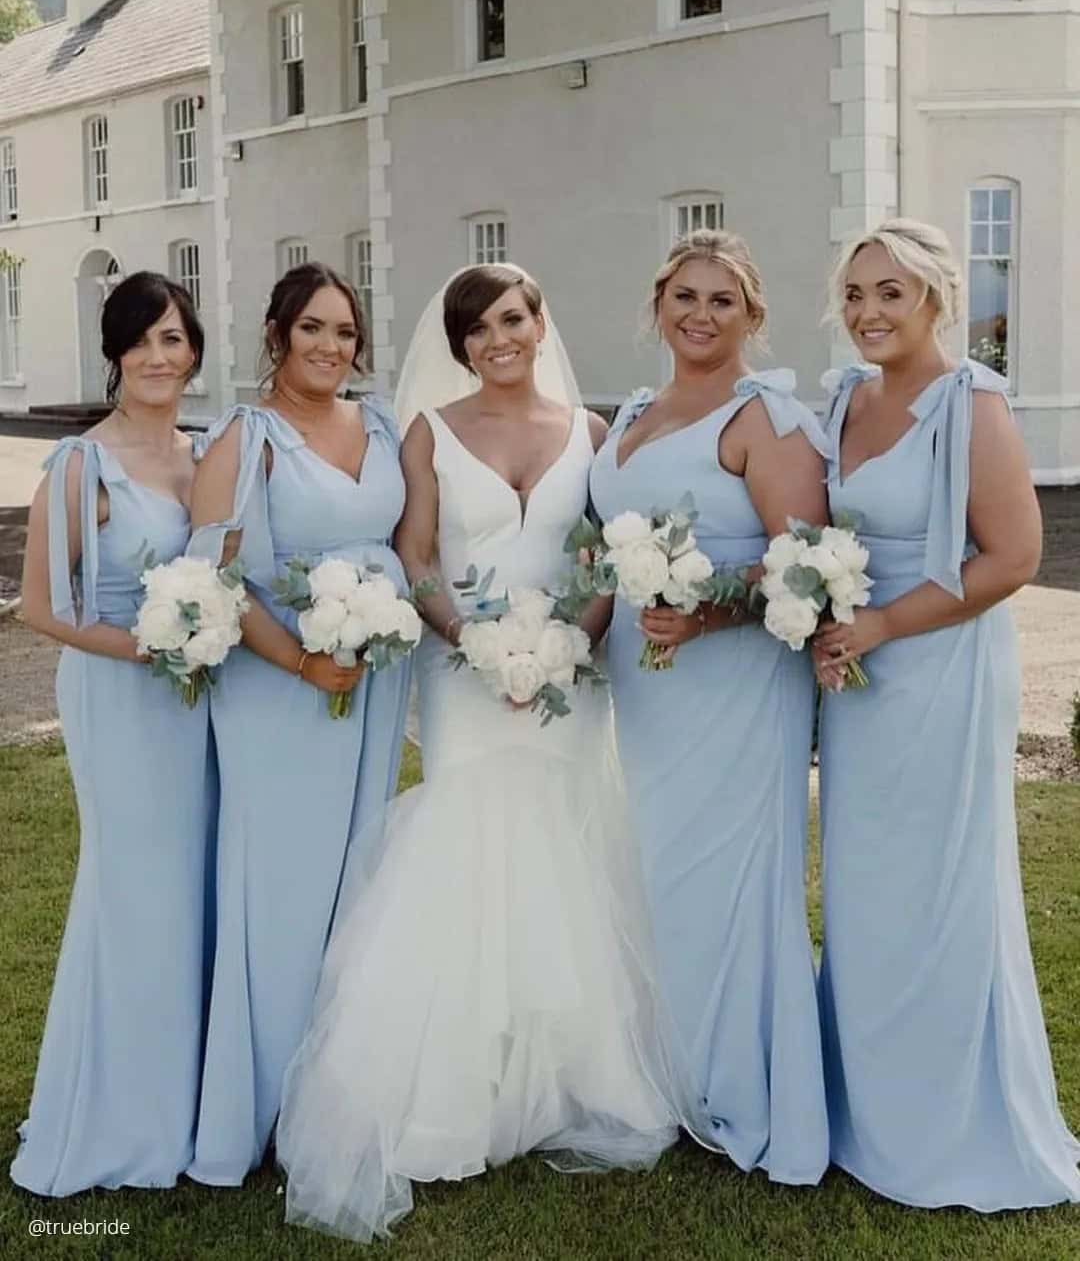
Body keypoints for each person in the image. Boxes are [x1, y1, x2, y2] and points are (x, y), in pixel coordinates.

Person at [275, 263, 677, 1242]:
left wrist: (572, 640)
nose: (497, 338)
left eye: (511, 318)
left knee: (569, 849)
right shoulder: (430, 432)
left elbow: (607, 557)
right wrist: (473, 642)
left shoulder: (592, 435)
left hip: (569, 681)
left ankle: (578, 1073)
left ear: (541, 323)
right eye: (476, 328)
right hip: (466, 680)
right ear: (456, 347)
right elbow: (415, 555)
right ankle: (458, 1092)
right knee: (465, 855)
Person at [814, 217, 1080, 1210]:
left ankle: (942, 1124)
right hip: (856, 681)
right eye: (854, 295)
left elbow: (1011, 557)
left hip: (937, 669)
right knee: (862, 884)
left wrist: (882, 622)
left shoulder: (973, 403)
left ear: (937, 299)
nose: (868, 312)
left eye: (890, 293)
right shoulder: (843, 397)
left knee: (934, 889)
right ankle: (867, 1108)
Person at [589, 230, 830, 1185]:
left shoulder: (763, 417)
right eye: (685, 296)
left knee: (725, 878)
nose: (700, 314)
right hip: (644, 687)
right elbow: (605, 542)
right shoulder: (636, 412)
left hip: (729, 684)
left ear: (753, 317)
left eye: (722, 301)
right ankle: (674, 1071)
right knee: (655, 872)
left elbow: (803, 559)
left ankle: (747, 1084)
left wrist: (708, 614)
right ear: (658, 305)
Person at [186, 262, 411, 1186]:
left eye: (345, 332)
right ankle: (259, 1109)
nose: (330, 346)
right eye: (312, 328)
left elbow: (413, 550)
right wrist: (302, 660)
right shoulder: (245, 437)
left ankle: (334, 1095)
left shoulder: (385, 424)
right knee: (279, 887)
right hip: (282, 686)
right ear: (276, 336)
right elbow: (216, 578)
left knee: (357, 878)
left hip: (374, 679)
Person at [12, 272, 215, 1195]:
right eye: (141, 340)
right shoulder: (81, 466)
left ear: (194, 351)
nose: (158, 357)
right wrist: (144, 648)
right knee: (137, 891)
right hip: (126, 695)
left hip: (204, 694)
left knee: (196, 884)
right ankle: (121, 1113)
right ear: (114, 353)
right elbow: (40, 609)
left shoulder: (204, 452)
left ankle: (192, 1098)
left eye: (174, 339)